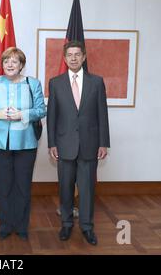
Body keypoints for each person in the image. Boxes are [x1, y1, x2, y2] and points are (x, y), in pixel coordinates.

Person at [47, 40, 110, 246]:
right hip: (64, 145)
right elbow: (52, 117)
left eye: (77, 54)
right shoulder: (55, 83)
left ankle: (87, 227)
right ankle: (66, 224)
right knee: (65, 188)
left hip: (90, 145)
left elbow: (102, 114)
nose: (73, 58)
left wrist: (103, 143)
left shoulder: (96, 82)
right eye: (69, 55)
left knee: (87, 189)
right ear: (65, 59)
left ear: (84, 57)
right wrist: (52, 143)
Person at [0, 47, 46, 240]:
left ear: (21, 65)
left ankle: (21, 226)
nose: (9, 64)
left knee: (23, 186)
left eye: (14, 61)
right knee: (3, 185)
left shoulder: (32, 83)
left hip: (26, 143)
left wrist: (22, 114)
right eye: (6, 61)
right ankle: (5, 226)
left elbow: (41, 110)